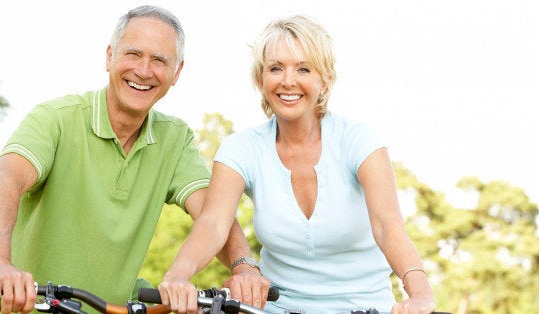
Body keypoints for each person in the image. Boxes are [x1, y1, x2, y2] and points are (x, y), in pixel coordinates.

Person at [0, 5, 266, 314]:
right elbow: (6, 179)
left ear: (177, 72)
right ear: (109, 56)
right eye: (133, 54)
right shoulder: (56, 119)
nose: (143, 71)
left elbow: (214, 214)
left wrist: (244, 266)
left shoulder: (175, 138)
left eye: (159, 60)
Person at [158, 14, 437, 314]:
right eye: (276, 68)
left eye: (303, 69)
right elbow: (213, 224)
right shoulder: (241, 148)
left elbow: (388, 225)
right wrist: (177, 277)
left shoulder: (358, 140)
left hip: (363, 306)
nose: (288, 80)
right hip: (277, 308)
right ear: (260, 79)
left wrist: (419, 294)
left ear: (325, 80)